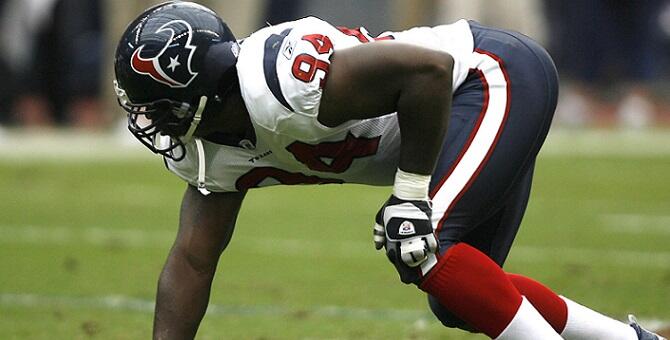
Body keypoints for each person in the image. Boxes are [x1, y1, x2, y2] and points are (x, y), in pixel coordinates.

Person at [113, 2, 666, 340]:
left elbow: (428, 70)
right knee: (458, 299)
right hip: (457, 118)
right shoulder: (211, 148)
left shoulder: (280, 81)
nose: (150, 122)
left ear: (201, 89)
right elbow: (192, 258)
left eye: (158, 106)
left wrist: (410, 193)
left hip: (490, 77)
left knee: (417, 241)